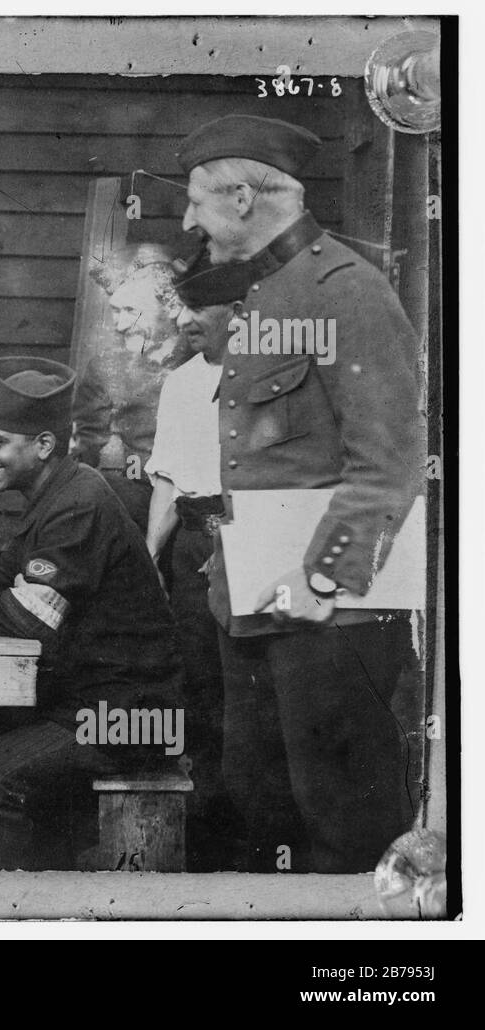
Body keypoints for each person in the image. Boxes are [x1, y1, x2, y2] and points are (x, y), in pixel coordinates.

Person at [177, 113, 424, 872]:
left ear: (244, 198)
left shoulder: (347, 291)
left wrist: (323, 577)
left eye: (195, 202)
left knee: (344, 824)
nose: (186, 221)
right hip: (254, 604)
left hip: (331, 613)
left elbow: (392, 461)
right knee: (260, 807)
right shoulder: (258, 295)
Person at [0, 358, 183, 871]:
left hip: (131, 715)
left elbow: (30, 617)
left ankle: (1, 909)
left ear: (43, 445)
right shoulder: (58, 490)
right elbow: (4, 575)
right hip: (85, 700)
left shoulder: (78, 503)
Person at [143, 254, 251, 871]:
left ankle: (255, 837)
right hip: (192, 544)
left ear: (237, 313)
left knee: (249, 692)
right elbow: (166, 482)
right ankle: (207, 834)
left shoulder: (270, 377)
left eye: (195, 307)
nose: (181, 319)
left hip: (247, 540)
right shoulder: (182, 383)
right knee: (200, 687)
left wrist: (236, 548)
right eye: (178, 305)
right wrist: (149, 558)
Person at [71, 246, 189, 531]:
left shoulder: (203, 360)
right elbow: (83, 445)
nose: (120, 325)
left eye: (132, 311)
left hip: (198, 502)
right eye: (115, 310)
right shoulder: (107, 369)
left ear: (171, 306)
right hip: (141, 499)